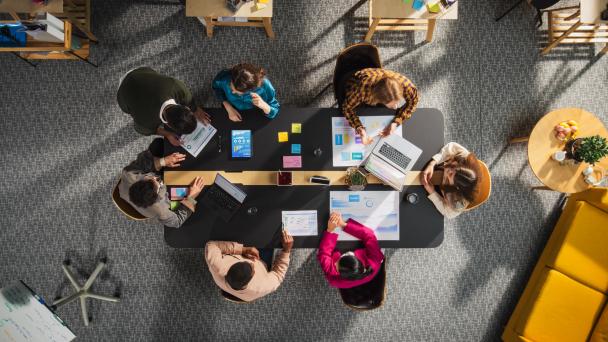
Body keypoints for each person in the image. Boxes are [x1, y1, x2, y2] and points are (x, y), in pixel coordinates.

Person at [118, 138, 205, 228]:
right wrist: (191, 197)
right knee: (193, 188)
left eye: (150, 178)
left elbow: (142, 161)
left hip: (136, 190)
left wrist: (163, 162)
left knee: (157, 144)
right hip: (167, 195)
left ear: (138, 182)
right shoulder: (160, 209)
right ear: (156, 197)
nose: (156, 178)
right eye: (158, 185)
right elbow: (177, 222)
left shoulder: (129, 174)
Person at [117, 67, 211, 146]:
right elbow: (140, 130)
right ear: (168, 125)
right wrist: (168, 134)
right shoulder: (146, 121)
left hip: (141, 72)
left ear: (187, 108)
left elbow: (189, 100)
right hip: (122, 92)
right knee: (127, 108)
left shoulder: (176, 87)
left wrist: (196, 110)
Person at [205, 230, 293, 302]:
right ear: (251, 277)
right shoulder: (261, 287)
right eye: (252, 267)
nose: (251, 262)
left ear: (231, 267)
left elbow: (211, 245)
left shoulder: (217, 266)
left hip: (241, 250)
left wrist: (243, 250)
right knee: (272, 235)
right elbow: (278, 276)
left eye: (244, 262)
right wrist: (286, 250)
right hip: (261, 259)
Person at [341, 68, 419, 145]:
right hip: (355, 82)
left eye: (397, 102)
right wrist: (360, 129)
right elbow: (347, 108)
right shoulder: (362, 90)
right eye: (391, 105)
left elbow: (413, 103)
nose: (395, 107)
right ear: (377, 99)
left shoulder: (407, 87)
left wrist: (396, 122)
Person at [317, 212, 384, 289]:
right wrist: (343, 224)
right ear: (357, 260)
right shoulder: (374, 262)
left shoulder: (333, 278)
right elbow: (369, 235)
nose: (335, 263)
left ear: (338, 273)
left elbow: (324, 253)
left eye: (336, 264)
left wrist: (330, 230)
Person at [419, 142, 482, 219]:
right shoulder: (464, 157)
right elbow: (451, 146)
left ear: (456, 187)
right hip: (435, 168)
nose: (447, 167)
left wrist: (432, 191)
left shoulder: (458, 202)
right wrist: (433, 163)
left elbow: (448, 213)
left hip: (438, 189)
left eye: (450, 174)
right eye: (453, 166)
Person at [212, 63, 280, 122]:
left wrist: (264, 106)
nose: (232, 92)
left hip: (255, 113)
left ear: (251, 90)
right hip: (231, 109)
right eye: (230, 86)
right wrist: (227, 106)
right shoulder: (224, 78)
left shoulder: (265, 86)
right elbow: (216, 88)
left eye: (238, 92)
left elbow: (275, 110)